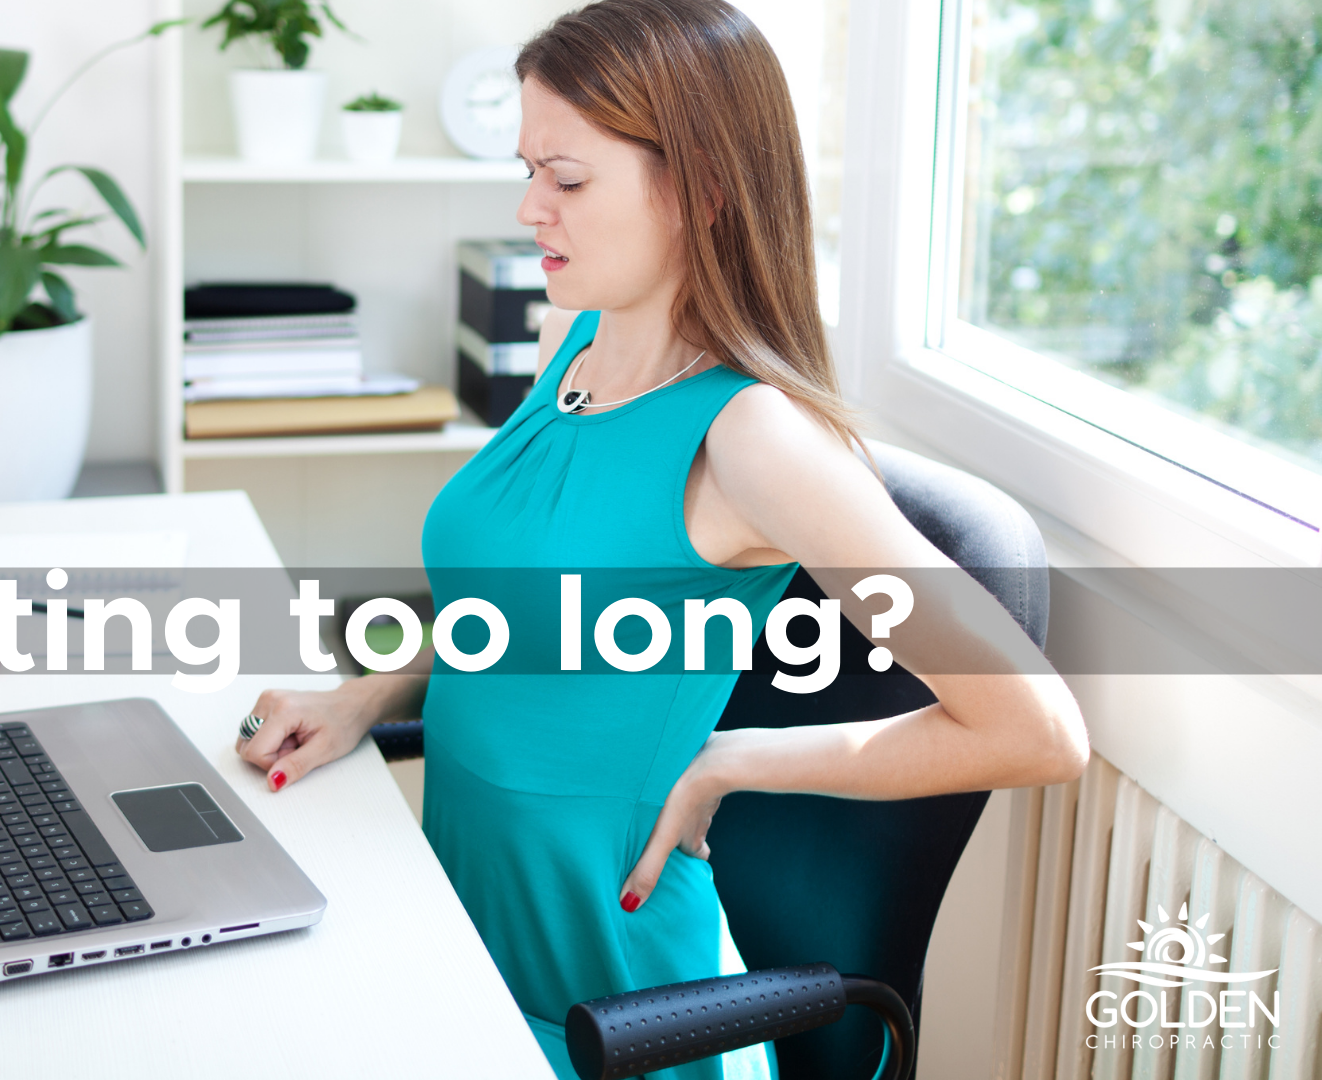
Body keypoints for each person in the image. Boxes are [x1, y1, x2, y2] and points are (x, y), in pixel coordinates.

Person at [235, 1, 1090, 1076]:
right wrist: (365, 694)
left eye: (568, 178)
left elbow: (1039, 731)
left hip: (610, 1018)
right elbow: (516, 609)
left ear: (701, 188)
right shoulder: (574, 343)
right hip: (462, 950)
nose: (528, 207)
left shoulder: (751, 441)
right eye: (528, 169)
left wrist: (735, 759)